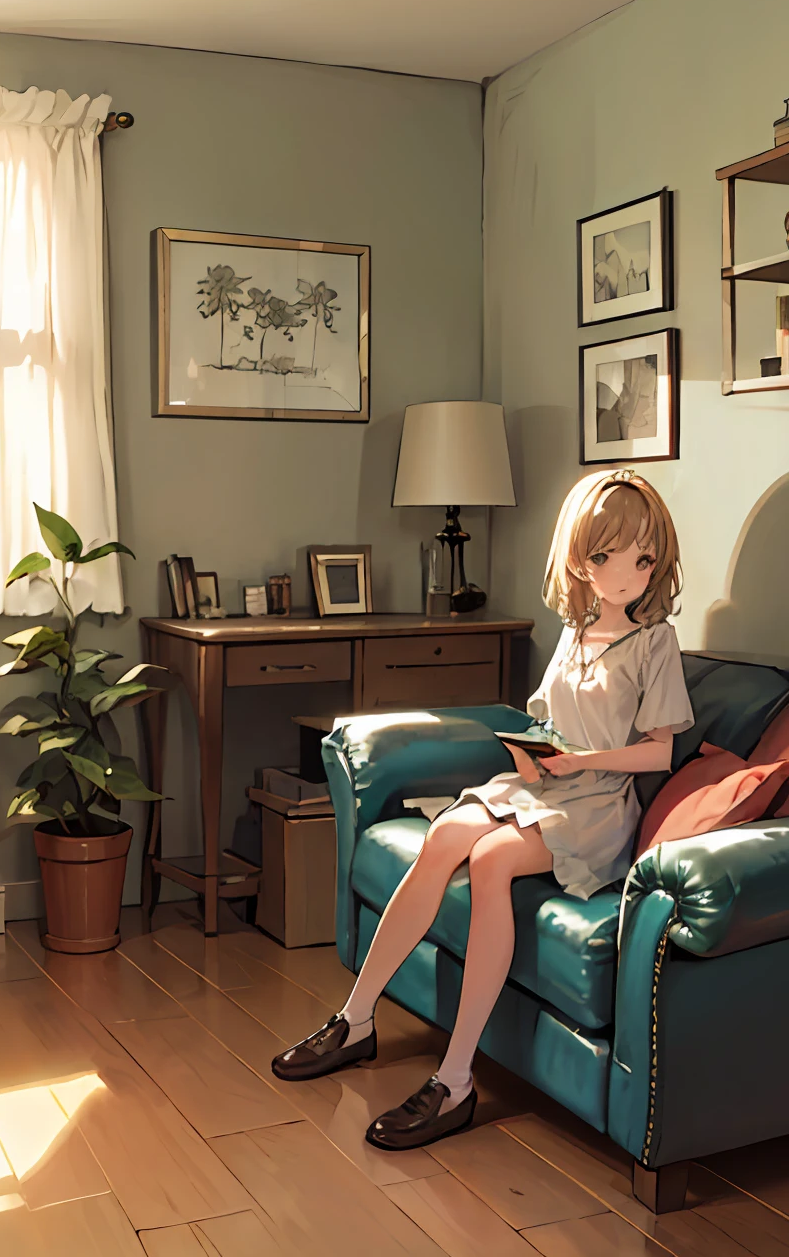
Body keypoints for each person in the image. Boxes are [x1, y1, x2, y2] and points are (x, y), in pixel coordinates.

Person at [270, 470, 692, 1150]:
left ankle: (456, 1080)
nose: (628, 575)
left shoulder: (655, 643)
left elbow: (659, 754)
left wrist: (575, 763)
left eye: (644, 559)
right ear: (582, 559)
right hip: (544, 786)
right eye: (610, 557)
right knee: (445, 837)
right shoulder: (576, 629)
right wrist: (533, 756)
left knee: (492, 858)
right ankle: (355, 1020)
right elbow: (549, 723)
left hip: (595, 806)